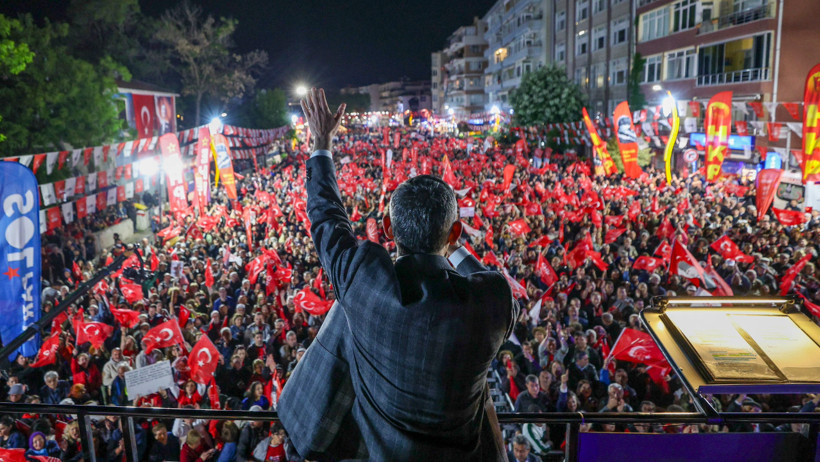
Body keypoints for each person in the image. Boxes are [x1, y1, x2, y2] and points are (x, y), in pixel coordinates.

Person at [279, 88, 517, 461]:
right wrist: (453, 246)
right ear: (456, 234)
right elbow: (488, 280)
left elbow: (326, 217)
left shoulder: (366, 286)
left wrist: (321, 143)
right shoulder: (493, 302)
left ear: (387, 228)